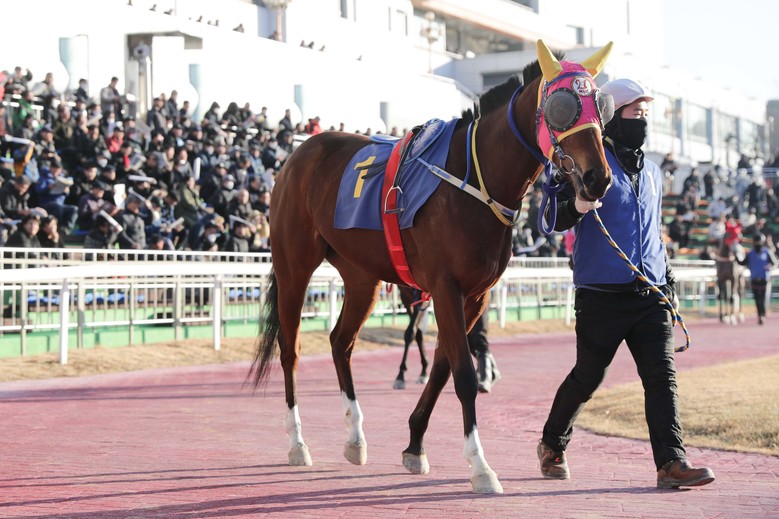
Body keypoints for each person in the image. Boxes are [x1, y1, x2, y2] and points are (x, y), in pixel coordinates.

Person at [537, 78, 715, 489]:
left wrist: (668, 285)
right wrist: (578, 204)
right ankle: (552, 443)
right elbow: (549, 219)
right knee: (588, 376)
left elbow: (654, 234)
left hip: (651, 294)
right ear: (612, 117)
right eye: (636, 112)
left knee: (661, 377)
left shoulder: (652, 172)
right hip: (601, 295)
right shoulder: (584, 166)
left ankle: (671, 463)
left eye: (646, 113)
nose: (643, 121)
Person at [738, 234, 776, 325]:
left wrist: (769, 267)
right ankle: (760, 315)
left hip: (764, 279)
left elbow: (774, 263)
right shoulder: (750, 253)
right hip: (754, 279)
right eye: (756, 242)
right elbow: (742, 262)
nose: (757, 244)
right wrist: (735, 256)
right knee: (757, 299)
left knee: (762, 298)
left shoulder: (766, 252)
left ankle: (762, 315)